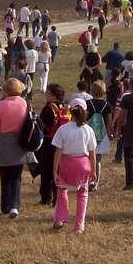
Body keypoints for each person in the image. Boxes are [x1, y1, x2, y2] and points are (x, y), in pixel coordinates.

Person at [51, 98, 97, 233]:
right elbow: (92, 153)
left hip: (66, 164)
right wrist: (93, 170)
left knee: (62, 191)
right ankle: (79, 225)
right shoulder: (88, 130)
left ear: (71, 111)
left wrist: (55, 170)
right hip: (83, 165)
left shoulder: (63, 129)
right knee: (83, 194)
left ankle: (60, 218)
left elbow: (58, 152)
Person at [0, 77, 28, 218]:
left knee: (5, 176)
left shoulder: (1, 105)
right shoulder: (24, 103)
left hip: (4, 141)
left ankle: (5, 206)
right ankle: (15, 205)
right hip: (20, 141)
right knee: (17, 176)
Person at [38, 84, 70, 205]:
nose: (45, 94)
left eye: (47, 92)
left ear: (53, 95)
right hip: (62, 143)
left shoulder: (49, 108)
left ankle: (46, 197)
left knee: (46, 170)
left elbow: (43, 125)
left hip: (49, 141)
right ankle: (57, 196)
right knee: (57, 169)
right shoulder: (65, 107)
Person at [85, 82, 112, 191]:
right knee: (98, 161)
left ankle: (86, 181)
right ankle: (96, 183)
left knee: (86, 159)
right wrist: (110, 133)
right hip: (102, 134)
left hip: (88, 134)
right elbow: (109, 122)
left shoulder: (87, 103)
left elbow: (84, 117)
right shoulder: (107, 105)